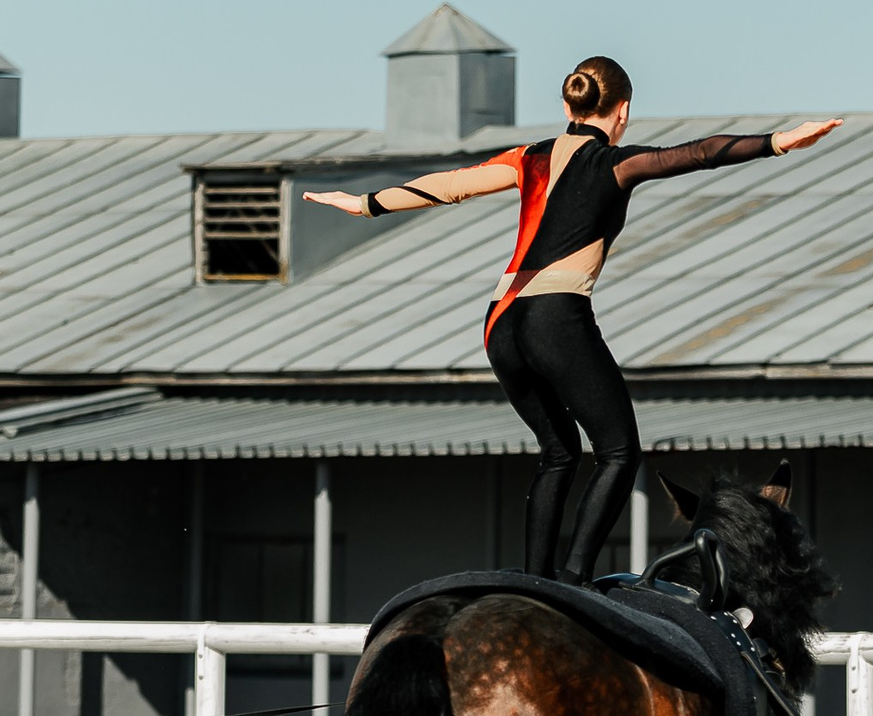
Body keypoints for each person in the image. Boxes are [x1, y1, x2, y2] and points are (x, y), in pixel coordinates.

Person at [306, 58, 840, 583]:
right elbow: (699, 154)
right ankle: (576, 583)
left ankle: (535, 581)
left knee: (558, 451)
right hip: (554, 315)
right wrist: (779, 141)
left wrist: (365, 204)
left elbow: (453, 184)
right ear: (623, 110)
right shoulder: (615, 163)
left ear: (567, 105)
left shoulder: (529, 157)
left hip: (500, 322)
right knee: (618, 452)